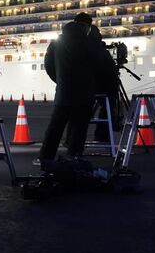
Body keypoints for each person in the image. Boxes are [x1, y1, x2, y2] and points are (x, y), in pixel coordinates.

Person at [37, 16, 108, 165]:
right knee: (79, 127)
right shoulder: (90, 42)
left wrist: (61, 81)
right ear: (87, 27)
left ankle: (45, 157)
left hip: (63, 92)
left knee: (55, 126)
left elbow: (48, 65)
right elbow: (100, 66)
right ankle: (74, 157)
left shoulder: (56, 42)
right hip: (85, 92)